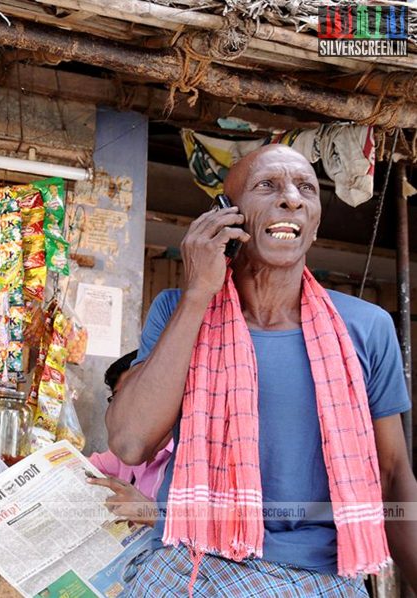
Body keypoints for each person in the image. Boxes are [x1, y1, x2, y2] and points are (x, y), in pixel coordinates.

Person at [107, 145, 417, 596]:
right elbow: (131, 443)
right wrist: (197, 294)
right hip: (191, 570)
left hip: (317, 579)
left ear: (314, 223)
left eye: (305, 189)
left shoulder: (367, 328)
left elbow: (392, 475)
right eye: (267, 186)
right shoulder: (178, 311)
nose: (291, 198)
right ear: (226, 216)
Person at [86, 350, 174, 526]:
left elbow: (210, 533)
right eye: (119, 397)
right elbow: (81, 467)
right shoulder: (126, 451)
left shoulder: (195, 455)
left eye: (137, 392)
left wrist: (147, 512)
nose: (129, 405)